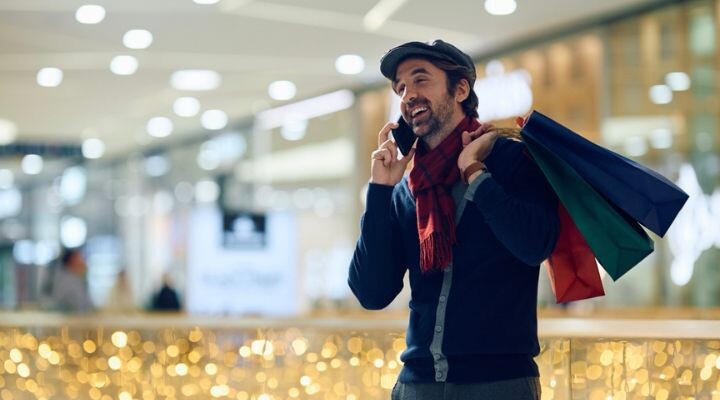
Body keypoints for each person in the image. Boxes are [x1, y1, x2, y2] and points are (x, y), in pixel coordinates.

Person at [348, 40, 560, 399]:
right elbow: (372, 292)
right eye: (401, 88)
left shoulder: (511, 160)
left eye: (421, 80)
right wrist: (380, 190)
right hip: (417, 384)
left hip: (498, 385)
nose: (408, 94)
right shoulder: (407, 188)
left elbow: (534, 244)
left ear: (461, 88)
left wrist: (475, 174)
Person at [51, 247, 94, 313]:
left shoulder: (74, 279)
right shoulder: (68, 282)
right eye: (80, 258)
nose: (83, 262)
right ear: (72, 261)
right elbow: (81, 309)